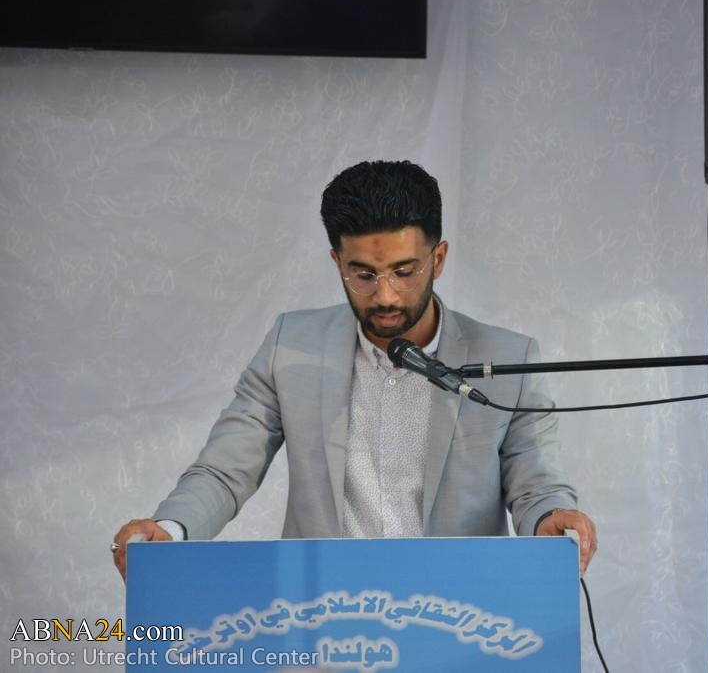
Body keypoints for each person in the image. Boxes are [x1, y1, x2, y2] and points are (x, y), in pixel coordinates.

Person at [111, 160, 597, 579]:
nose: (384, 295)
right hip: (323, 613)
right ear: (336, 260)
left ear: (439, 258)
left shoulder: (509, 359)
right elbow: (225, 470)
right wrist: (171, 529)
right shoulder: (291, 346)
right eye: (362, 274)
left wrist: (550, 519)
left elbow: (536, 482)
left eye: (404, 272)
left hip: (458, 611)